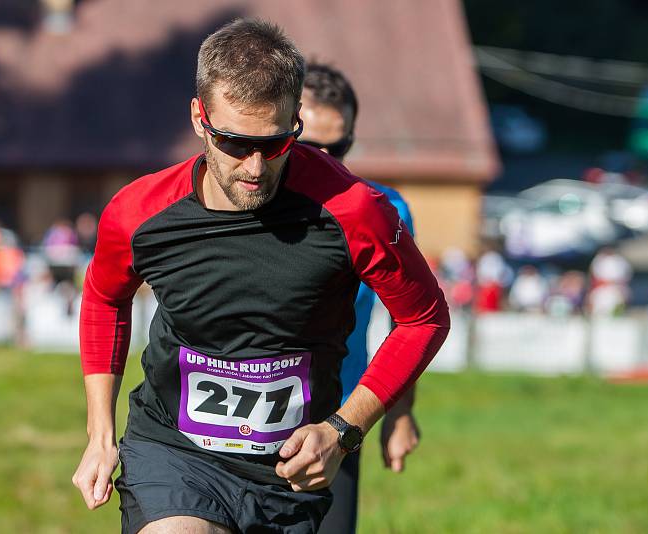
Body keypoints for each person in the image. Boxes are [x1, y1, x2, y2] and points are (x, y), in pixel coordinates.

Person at [72, 19, 450, 534]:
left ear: (295, 121)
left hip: (292, 470)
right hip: (174, 453)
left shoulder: (355, 211)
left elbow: (423, 319)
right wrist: (99, 433)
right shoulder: (140, 212)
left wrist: (344, 429)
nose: (253, 166)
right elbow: (103, 299)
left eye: (274, 144)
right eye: (234, 143)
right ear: (200, 118)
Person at [297, 62, 420, 533]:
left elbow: (407, 321)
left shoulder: (384, 210)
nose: (325, 159)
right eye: (309, 147)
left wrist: (401, 413)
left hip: (340, 416)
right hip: (248, 417)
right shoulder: (247, 204)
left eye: (339, 146)